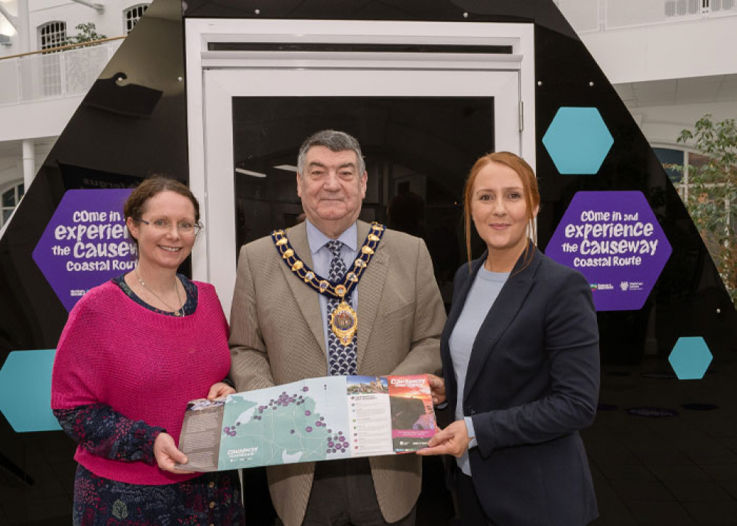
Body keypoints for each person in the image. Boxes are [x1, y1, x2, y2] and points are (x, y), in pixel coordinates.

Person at [229, 129, 446, 526]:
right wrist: (276, 407)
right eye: (317, 172)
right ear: (299, 183)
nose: (331, 184)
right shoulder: (258, 259)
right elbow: (245, 349)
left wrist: (381, 397)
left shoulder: (409, 252)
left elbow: (431, 338)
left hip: (387, 462)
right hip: (299, 465)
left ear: (363, 183)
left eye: (345, 172)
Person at [418, 152, 600, 526]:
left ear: (533, 206)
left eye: (513, 196)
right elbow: (491, 366)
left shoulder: (562, 287)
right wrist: (450, 390)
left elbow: (576, 404)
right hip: (471, 485)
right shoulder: (467, 276)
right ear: (471, 208)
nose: (499, 209)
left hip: (536, 497)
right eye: (486, 197)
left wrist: (475, 430)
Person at [51, 177, 245, 526]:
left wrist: (228, 386)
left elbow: (216, 371)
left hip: (212, 492)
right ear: (133, 226)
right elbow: (72, 409)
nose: (174, 235)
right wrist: (147, 441)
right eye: (160, 222)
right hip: (126, 500)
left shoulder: (208, 298)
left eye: (186, 225)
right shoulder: (97, 309)